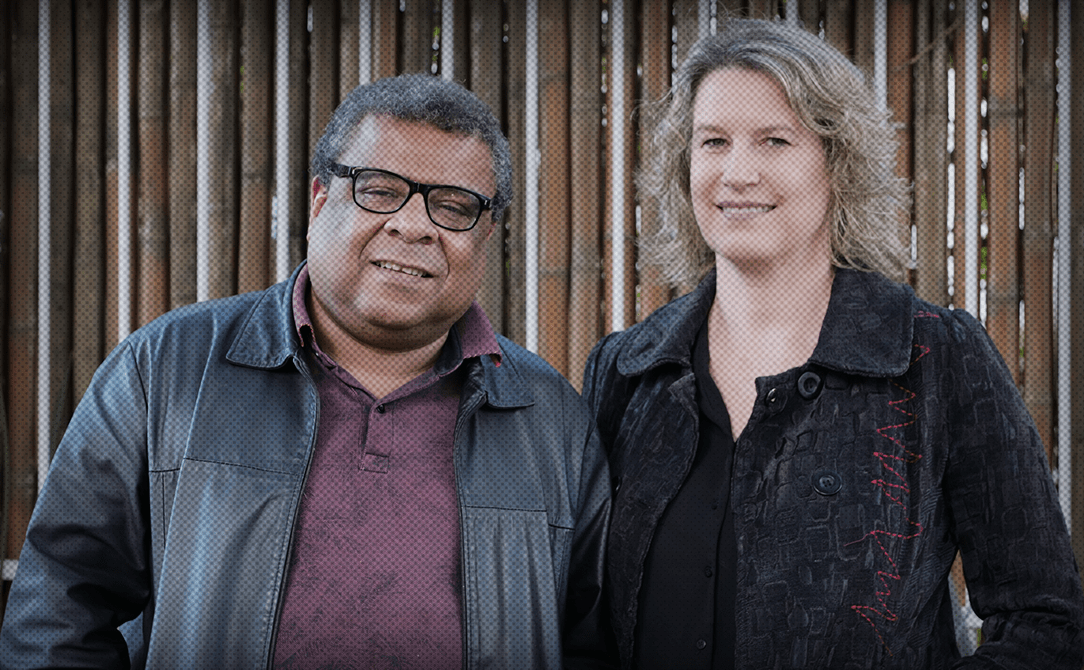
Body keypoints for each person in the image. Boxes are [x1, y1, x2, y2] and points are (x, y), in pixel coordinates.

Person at [1, 73, 613, 669]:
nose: (413, 225)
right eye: (380, 191)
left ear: (488, 236)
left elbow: (594, 640)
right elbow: (60, 606)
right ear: (320, 201)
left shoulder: (552, 421)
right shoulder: (165, 371)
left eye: (454, 207)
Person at [582, 17, 1084, 669]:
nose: (737, 172)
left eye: (774, 140)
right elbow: (580, 626)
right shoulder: (626, 372)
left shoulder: (935, 358)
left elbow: (1046, 625)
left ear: (837, 164)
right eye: (714, 141)